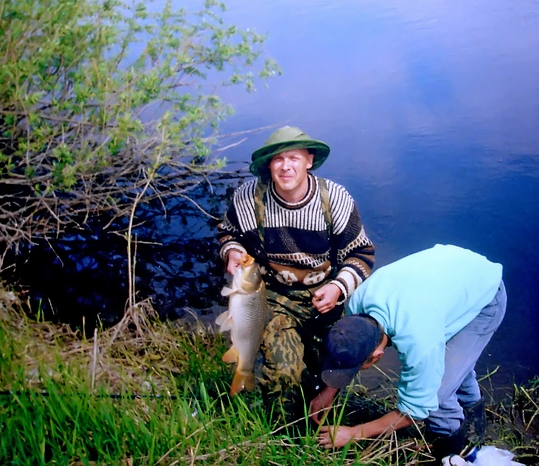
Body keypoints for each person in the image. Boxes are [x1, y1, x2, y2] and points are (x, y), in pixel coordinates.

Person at [217, 125, 375, 412]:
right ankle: (281, 434)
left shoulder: (336, 200)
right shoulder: (247, 199)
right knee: (284, 373)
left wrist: (338, 287)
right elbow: (229, 234)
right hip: (273, 297)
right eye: (278, 159)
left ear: (309, 161)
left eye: (294, 158)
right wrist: (233, 251)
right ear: (268, 165)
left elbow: (362, 254)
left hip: (326, 297)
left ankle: (320, 408)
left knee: (327, 368)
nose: (285, 167)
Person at [309, 244, 506, 458]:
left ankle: (454, 450)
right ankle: (472, 426)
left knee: (438, 394)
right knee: (453, 369)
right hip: (448, 277)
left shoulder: (418, 341)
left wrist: (355, 433)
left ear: (377, 356)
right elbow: (349, 350)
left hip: (484, 292)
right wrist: (328, 393)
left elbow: (415, 410)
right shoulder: (357, 305)